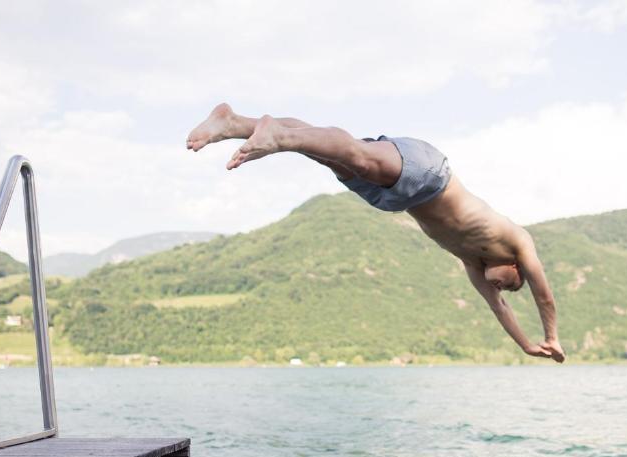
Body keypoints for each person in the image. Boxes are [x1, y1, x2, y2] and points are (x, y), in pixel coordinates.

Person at [186, 104, 565, 362]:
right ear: (517, 269)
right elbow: (544, 296)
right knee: (355, 154)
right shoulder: (518, 240)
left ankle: (235, 124)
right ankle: (279, 138)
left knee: (330, 154)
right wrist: (552, 336)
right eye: (512, 285)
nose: (503, 289)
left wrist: (527, 345)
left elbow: (498, 309)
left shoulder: (472, 263)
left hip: (394, 198)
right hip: (429, 174)